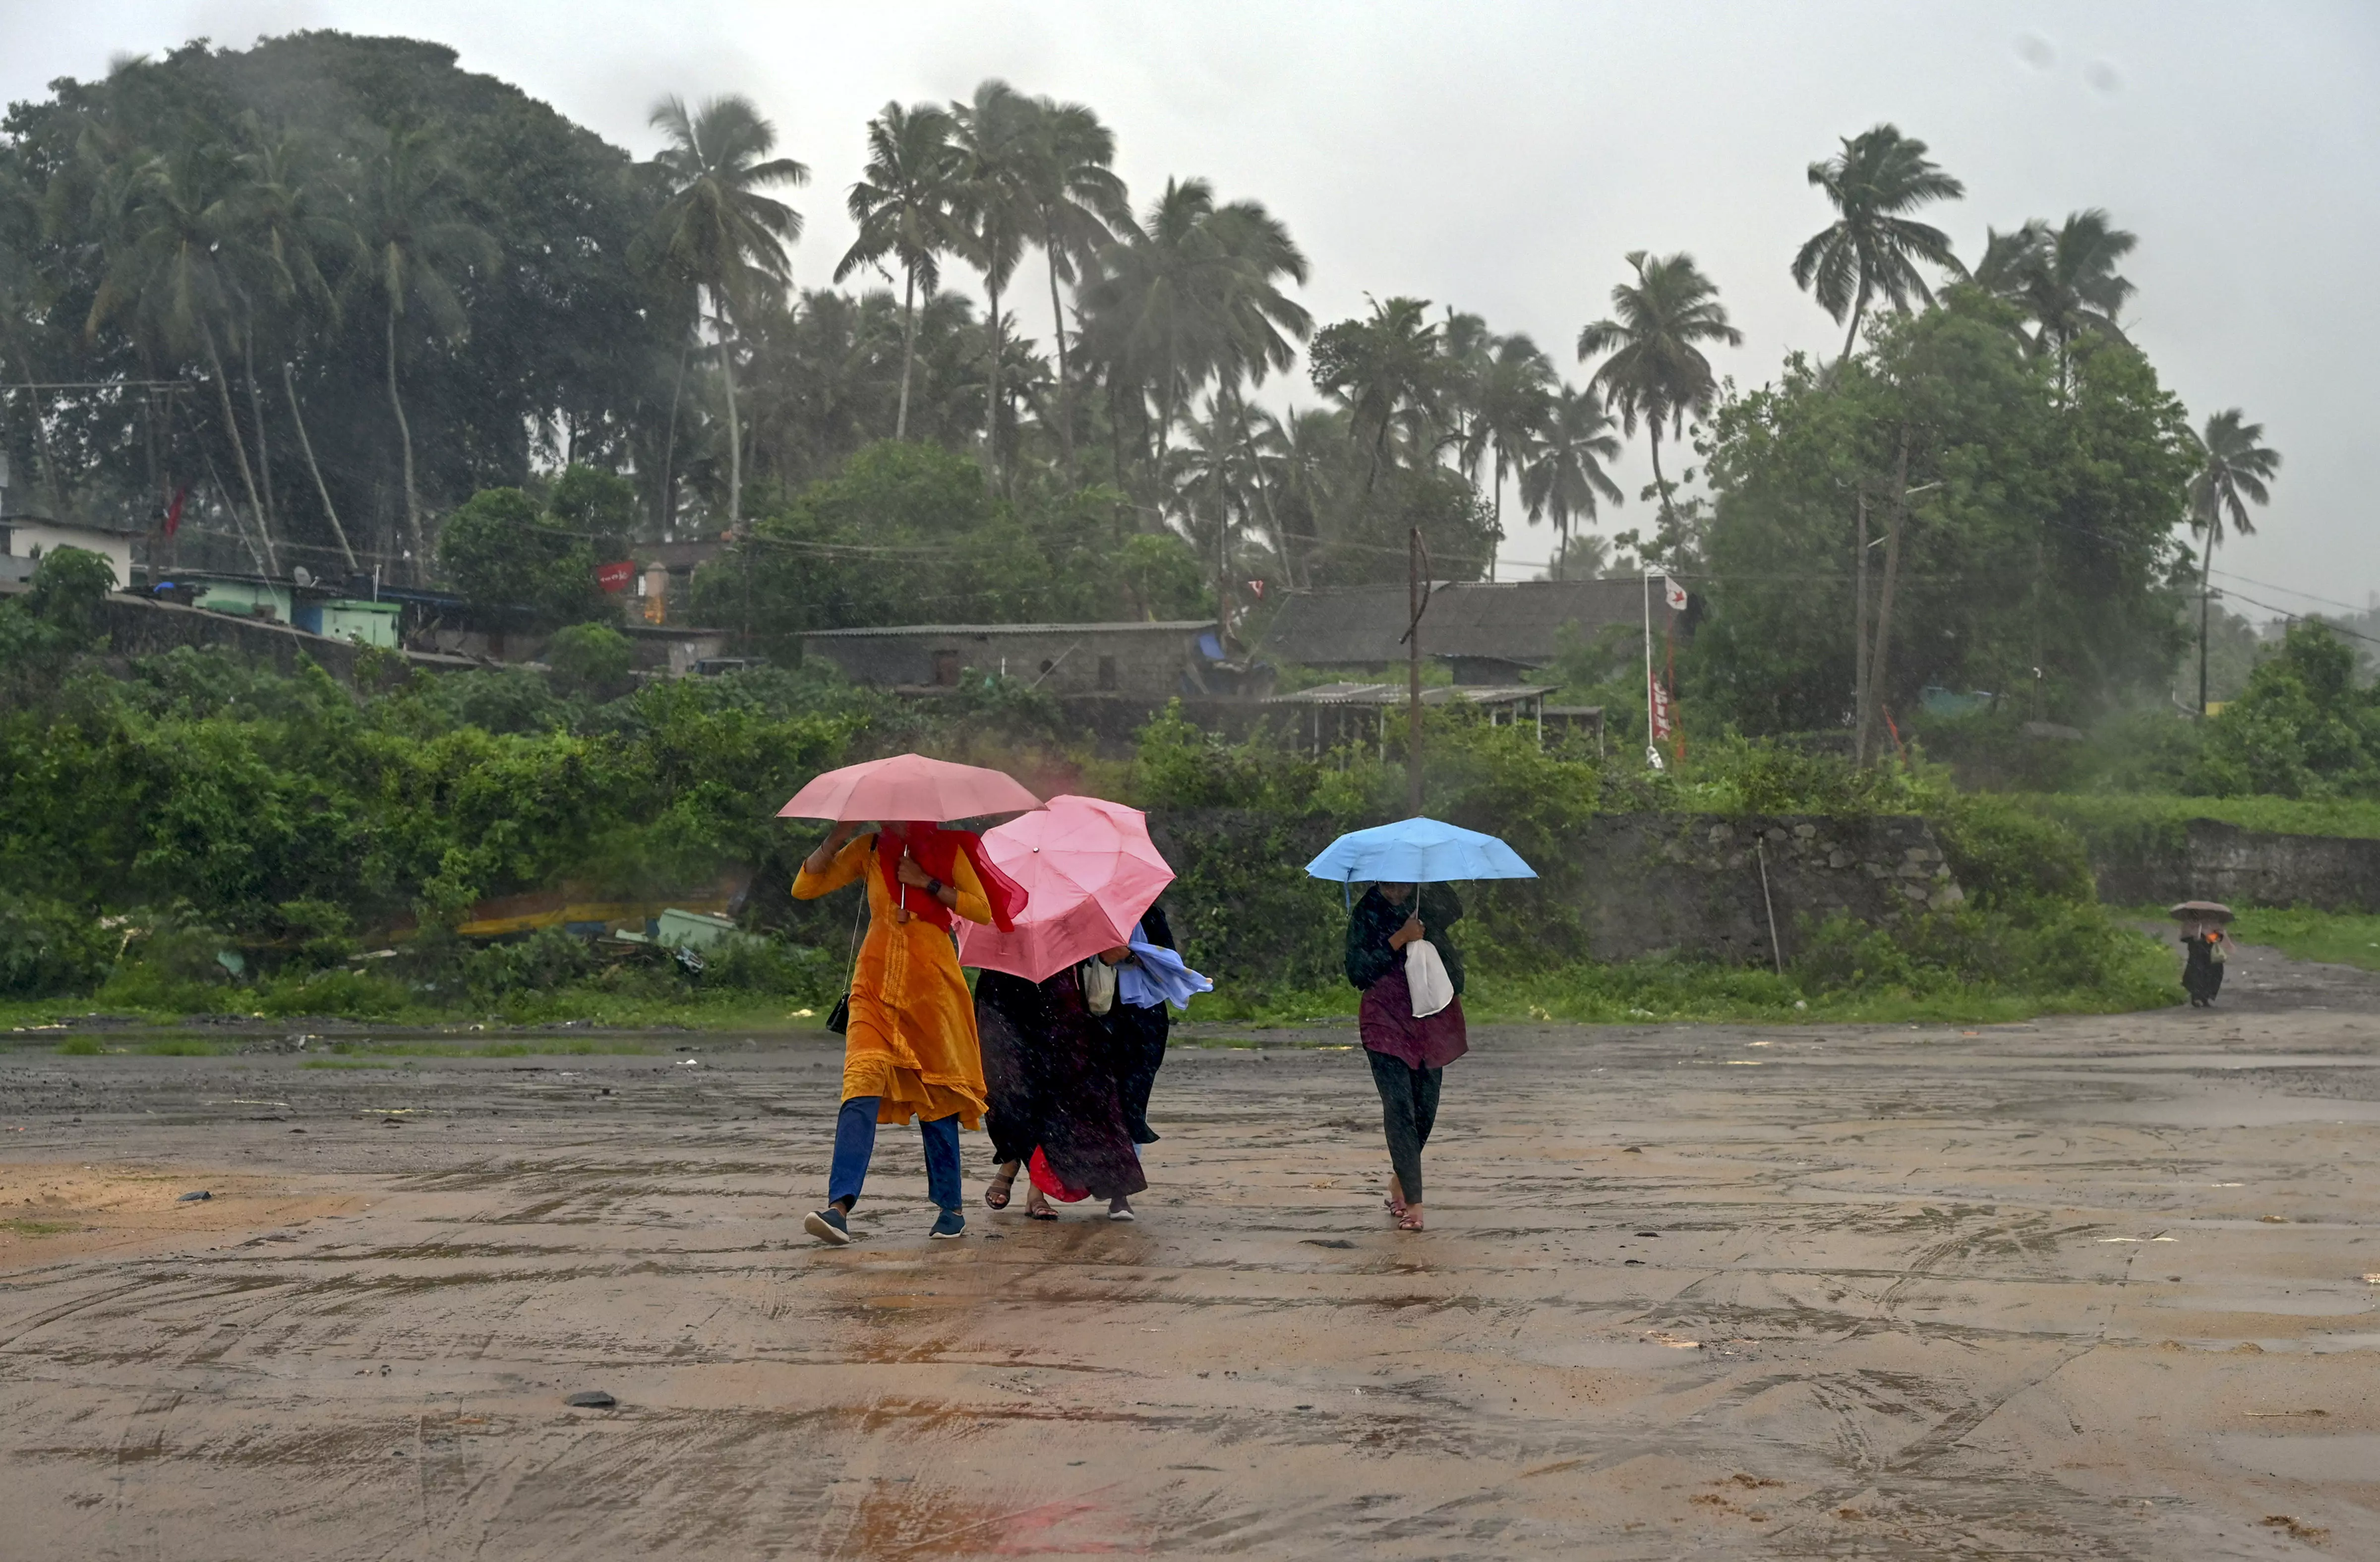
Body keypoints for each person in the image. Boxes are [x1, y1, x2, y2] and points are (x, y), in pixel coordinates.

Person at [792, 819, 1020, 1245]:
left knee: (937, 1097)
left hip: (932, 990)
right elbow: (804, 888)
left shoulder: (952, 849)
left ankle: (950, 1209)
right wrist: (837, 838)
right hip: (874, 986)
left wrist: (926, 882)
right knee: (859, 1088)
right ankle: (838, 1207)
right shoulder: (871, 847)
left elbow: (980, 909)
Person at [977, 961, 1148, 1221]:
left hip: (1058, 991)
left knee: (1063, 1095)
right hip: (1001, 993)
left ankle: (1036, 1188)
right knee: (1009, 1097)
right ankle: (1011, 1161)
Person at [1345, 880, 1468, 1232]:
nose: (1396, 886)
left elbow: (1453, 910)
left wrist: (1426, 879)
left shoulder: (1426, 898)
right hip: (1385, 1018)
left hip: (1432, 1015)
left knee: (1425, 1106)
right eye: (1389, 880)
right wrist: (1400, 938)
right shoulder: (1367, 912)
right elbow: (1358, 971)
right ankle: (1414, 1205)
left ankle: (1401, 1177)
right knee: (1400, 1107)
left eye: (1403, 878)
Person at [1109, 900, 1208, 1145]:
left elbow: (1168, 964)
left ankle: (1126, 1167)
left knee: (1133, 1101)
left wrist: (1130, 955)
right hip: (1099, 1014)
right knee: (1105, 1099)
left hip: (1144, 1017)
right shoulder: (1084, 918)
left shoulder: (1149, 914)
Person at [2182, 922, 2228, 1007]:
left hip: (2210, 954)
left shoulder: (2215, 921)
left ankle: (2205, 997)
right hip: (2196, 953)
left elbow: (2220, 936)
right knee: (2197, 973)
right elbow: (2185, 937)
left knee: (2212, 975)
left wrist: (2209, 938)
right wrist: (2194, 937)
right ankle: (2196, 997)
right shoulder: (2191, 920)